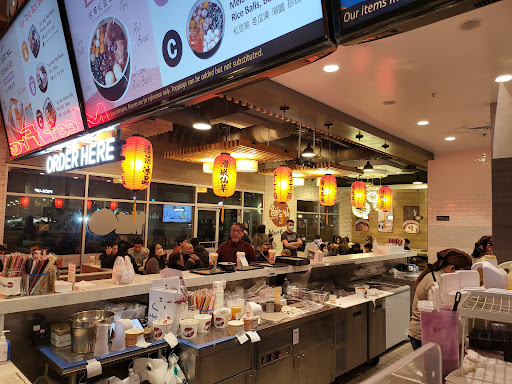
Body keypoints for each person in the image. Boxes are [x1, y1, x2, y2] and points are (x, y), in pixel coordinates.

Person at [409, 249, 472, 350]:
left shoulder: (443, 276)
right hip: (422, 335)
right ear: (453, 268)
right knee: (432, 365)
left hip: (430, 332)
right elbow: (438, 314)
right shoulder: (436, 281)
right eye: (466, 271)